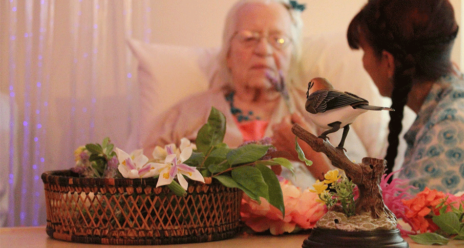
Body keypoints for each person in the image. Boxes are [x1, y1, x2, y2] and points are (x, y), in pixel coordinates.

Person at [143, 0, 369, 189]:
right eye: (249, 37)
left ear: (292, 55)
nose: (263, 50)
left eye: (278, 40)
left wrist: (310, 153)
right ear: (228, 54)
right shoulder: (187, 114)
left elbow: (364, 192)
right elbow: (142, 180)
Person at [347, 0, 464, 221]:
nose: (364, 62)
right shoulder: (455, 103)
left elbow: (390, 223)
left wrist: (314, 155)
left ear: (388, 62)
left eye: (364, 52)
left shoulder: (457, 124)